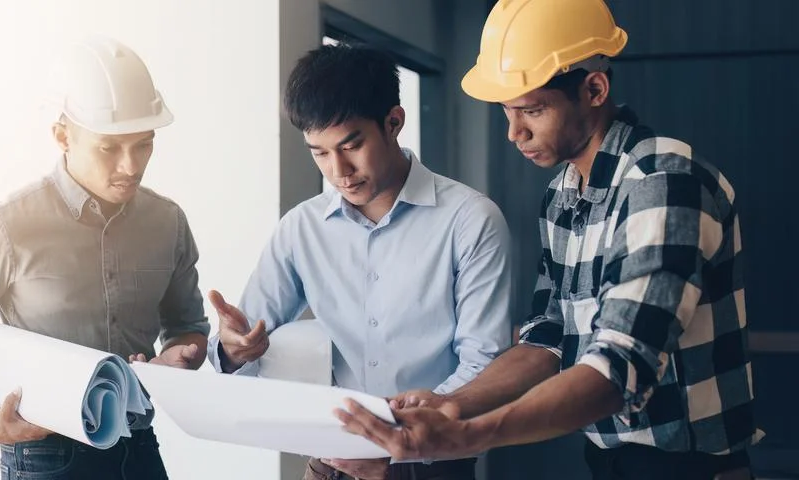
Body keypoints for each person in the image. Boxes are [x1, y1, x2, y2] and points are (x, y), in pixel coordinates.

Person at [335, 1, 763, 479]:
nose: (514, 132)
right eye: (506, 112)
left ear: (594, 88)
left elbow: (621, 366)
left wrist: (470, 434)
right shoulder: (562, 195)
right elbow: (550, 336)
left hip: (690, 468)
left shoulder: (663, 181)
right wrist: (452, 405)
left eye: (532, 110)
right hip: (609, 461)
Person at [205, 42, 513, 480]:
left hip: (428, 465)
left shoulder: (470, 221)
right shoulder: (301, 228)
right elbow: (246, 349)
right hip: (328, 467)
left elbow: (485, 364)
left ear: (394, 122)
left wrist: (394, 440)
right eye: (319, 152)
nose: (338, 171)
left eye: (351, 145)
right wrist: (233, 350)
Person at [0, 36, 209, 480]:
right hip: (45, 457)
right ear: (62, 135)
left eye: (144, 144)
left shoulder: (167, 222)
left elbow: (187, 327)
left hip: (141, 446)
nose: (131, 166)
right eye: (110, 148)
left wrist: (178, 357)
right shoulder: (5, 227)